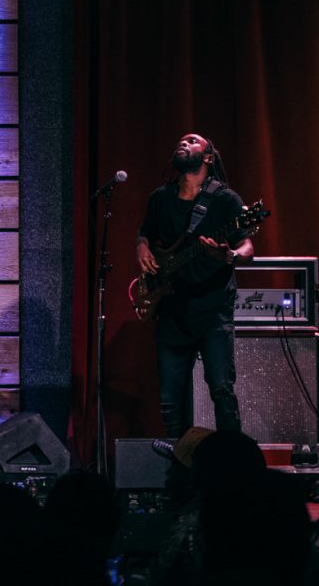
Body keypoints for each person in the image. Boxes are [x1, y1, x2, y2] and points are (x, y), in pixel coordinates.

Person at [136, 133, 254, 437]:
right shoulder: (160, 197)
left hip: (212, 309)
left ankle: (231, 459)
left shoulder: (225, 200)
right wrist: (142, 247)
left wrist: (229, 255)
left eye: (192, 141)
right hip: (172, 310)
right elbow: (144, 233)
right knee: (169, 401)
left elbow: (247, 248)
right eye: (181, 141)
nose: (183, 143)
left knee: (221, 390)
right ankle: (179, 461)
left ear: (208, 157)